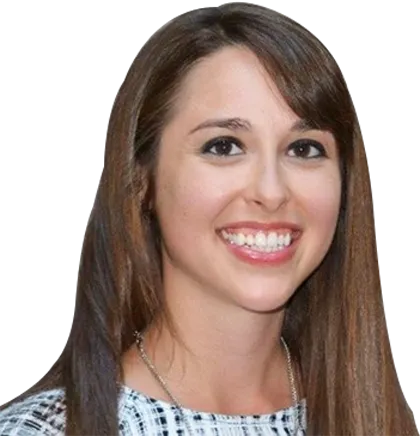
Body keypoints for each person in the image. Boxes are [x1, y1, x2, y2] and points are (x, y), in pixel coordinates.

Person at [0, 3, 417, 435]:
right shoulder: (48, 430)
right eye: (224, 146)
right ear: (142, 181)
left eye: (304, 149)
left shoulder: (370, 414)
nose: (271, 192)